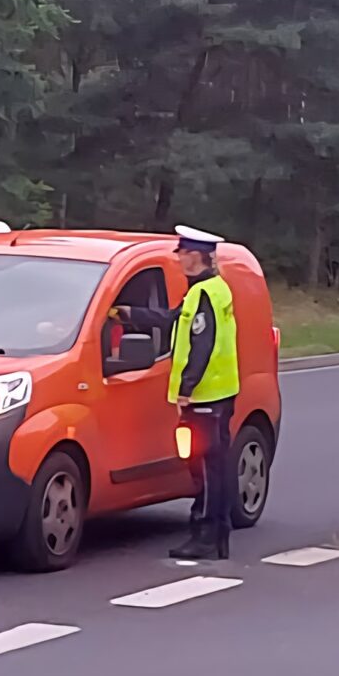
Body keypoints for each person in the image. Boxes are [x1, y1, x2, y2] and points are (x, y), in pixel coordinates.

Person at [112, 225, 240, 560]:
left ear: (196, 256)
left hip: (206, 396)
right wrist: (130, 314)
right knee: (210, 466)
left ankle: (208, 536)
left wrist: (187, 387)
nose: (179, 258)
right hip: (216, 392)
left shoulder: (205, 293)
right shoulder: (210, 289)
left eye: (183, 253)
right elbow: (173, 319)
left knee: (209, 470)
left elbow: (203, 343)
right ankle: (214, 536)